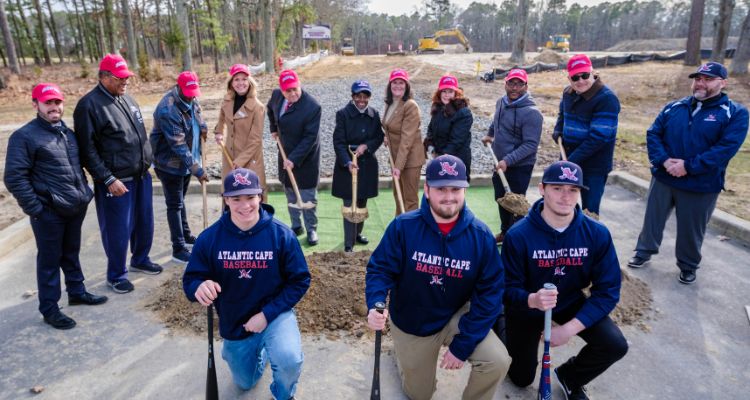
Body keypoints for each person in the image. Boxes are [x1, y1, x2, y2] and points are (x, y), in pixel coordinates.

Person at [366, 155, 511, 400]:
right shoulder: (403, 227)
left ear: (465, 189)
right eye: (441, 188)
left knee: (496, 361)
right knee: (419, 394)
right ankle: (402, 358)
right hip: (413, 320)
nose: (449, 196)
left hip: (456, 314)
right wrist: (375, 303)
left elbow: (491, 294)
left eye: (455, 189)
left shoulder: (481, 236)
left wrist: (462, 345)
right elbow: (380, 269)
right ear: (427, 190)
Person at [501, 160, 628, 400]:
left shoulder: (597, 234)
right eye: (557, 188)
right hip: (527, 305)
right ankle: (500, 324)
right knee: (521, 378)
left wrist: (568, 329)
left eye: (573, 190)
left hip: (569, 300)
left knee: (614, 344)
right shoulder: (518, 235)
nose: (565, 197)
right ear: (542, 189)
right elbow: (506, 289)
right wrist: (532, 300)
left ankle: (570, 377)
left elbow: (608, 290)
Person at [183, 168, 310, 399]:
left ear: (260, 196)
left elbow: (300, 280)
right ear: (226, 200)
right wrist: (198, 288)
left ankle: (283, 394)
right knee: (244, 383)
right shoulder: (209, 239)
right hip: (236, 321)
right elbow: (191, 280)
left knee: (289, 360)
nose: (245, 206)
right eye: (236, 199)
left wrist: (266, 315)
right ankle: (258, 355)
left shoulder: (281, 235)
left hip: (275, 315)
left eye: (250, 197)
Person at [628, 62, 749, 284]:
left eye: (708, 79)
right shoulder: (675, 106)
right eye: (698, 79)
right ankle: (643, 252)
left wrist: (688, 166)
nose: (700, 83)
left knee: (691, 229)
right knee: (652, 220)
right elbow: (653, 134)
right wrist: (664, 161)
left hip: (701, 184)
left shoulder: (735, 113)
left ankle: (688, 265)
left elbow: (724, 149)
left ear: (723, 83)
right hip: (664, 177)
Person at [4, 83, 108, 330]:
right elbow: (14, 177)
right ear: (35, 104)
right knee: (50, 260)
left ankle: (77, 291)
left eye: (57, 102)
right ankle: (50, 308)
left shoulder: (67, 133)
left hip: (73, 207)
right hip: (48, 213)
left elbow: (75, 167)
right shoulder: (24, 137)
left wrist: (83, 193)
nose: (54, 107)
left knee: (71, 253)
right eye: (48, 103)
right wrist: (37, 209)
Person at [73, 53, 161, 294]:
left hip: (140, 175)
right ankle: (116, 274)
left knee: (144, 222)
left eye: (127, 77)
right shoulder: (89, 105)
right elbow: (87, 150)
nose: (125, 81)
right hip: (116, 179)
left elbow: (139, 135)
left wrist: (148, 162)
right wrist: (107, 178)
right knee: (117, 229)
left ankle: (140, 259)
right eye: (120, 77)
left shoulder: (127, 98)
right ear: (103, 77)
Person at [150, 71, 209, 264]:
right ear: (179, 87)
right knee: (174, 204)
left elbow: (197, 113)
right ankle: (178, 247)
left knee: (180, 200)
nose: (192, 95)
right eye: (189, 91)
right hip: (170, 165)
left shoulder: (191, 98)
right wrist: (197, 169)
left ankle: (186, 235)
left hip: (185, 163)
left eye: (194, 91)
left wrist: (203, 126)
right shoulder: (168, 110)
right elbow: (178, 146)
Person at [552, 54, 620, 216]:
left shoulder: (607, 99)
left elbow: (598, 138)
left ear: (592, 72)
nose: (581, 81)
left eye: (585, 75)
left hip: (594, 166)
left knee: (589, 211)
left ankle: (588, 240)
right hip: (569, 159)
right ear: (569, 78)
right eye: (575, 77)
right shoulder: (568, 93)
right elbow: (562, 115)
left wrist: (570, 162)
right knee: (565, 205)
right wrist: (558, 130)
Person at [481, 69, 543, 244]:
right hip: (500, 163)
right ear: (505, 84)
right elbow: (497, 120)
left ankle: (517, 240)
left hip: (519, 166)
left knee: (515, 206)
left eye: (519, 84)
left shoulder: (532, 113)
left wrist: (508, 160)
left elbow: (530, 145)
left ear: (526, 86)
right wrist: (490, 133)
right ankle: (505, 232)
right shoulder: (501, 102)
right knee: (501, 199)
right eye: (511, 83)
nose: (515, 88)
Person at [267, 69, 322, 246]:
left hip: (306, 158)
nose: (291, 94)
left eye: (294, 89)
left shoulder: (312, 107)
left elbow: (310, 138)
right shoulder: (276, 96)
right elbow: (270, 110)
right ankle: (296, 225)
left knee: (307, 195)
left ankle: (311, 228)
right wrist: (273, 129)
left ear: (300, 85)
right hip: (284, 152)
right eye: (287, 90)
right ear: (281, 90)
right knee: (290, 192)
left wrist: (294, 159)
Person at [331, 80, 384, 252]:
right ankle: (348, 244)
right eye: (358, 96)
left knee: (362, 201)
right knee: (349, 204)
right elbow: (338, 142)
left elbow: (378, 137)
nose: (362, 100)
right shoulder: (343, 114)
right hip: (347, 166)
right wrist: (347, 161)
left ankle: (357, 234)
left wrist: (366, 146)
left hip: (367, 165)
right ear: (353, 96)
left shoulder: (374, 114)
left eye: (365, 96)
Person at [214, 64, 268, 202]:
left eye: (244, 79)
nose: (240, 83)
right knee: (230, 194)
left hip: (249, 159)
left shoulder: (258, 107)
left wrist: (240, 161)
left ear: (250, 81)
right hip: (229, 155)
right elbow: (222, 115)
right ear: (231, 82)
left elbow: (256, 140)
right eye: (236, 79)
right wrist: (219, 131)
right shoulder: (227, 100)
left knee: (250, 197)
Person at [382, 68, 425, 214]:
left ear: (406, 86)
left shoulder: (410, 105)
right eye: (395, 82)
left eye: (401, 83)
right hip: (396, 158)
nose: (398, 86)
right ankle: (399, 229)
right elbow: (390, 126)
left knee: (409, 199)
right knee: (397, 196)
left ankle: (411, 233)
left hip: (410, 160)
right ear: (390, 85)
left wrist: (398, 167)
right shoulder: (391, 103)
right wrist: (386, 137)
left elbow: (407, 138)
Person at [424, 74, 473, 181]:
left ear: (456, 93)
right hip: (440, 158)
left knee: (455, 195)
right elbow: (431, 130)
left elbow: (456, 141)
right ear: (439, 92)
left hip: (456, 161)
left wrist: (440, 158)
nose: (446, 95)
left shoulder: (464, 112)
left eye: (450, 92)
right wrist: (430, 147)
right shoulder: (438, 108)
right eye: (444, 91)